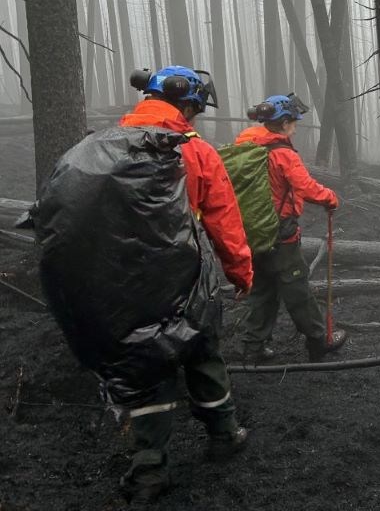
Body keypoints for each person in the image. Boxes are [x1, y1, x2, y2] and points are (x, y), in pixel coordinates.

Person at [118, 65, 254, 502]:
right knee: (200, 350)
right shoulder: (197, 152)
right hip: (184, 275)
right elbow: (224, 222)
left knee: (145, 362)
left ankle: (149, 467)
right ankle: (223, 433)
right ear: (189, 103)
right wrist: (240, 272)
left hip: (126, 278)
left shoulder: (106, 144)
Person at [236, 93, 346, 363]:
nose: (296, 126)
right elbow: (306, 187)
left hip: (252, 230)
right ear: (284, 122)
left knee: (262, 288)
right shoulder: (283, 154)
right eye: (294, 122)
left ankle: (254, 346)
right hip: (280, 234)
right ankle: (318, 342)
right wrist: (331, 198)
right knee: (297, 289)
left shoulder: (247, 146)